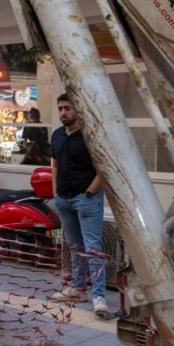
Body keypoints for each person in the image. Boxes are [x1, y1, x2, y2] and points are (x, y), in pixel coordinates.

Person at [48, 93, 109, 319]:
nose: (63, 112)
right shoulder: (57, 135)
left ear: (77, 110)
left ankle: (99, 296)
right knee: (74, 247)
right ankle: (78, 288)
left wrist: (90, 191)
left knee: (93, 248)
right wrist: (55, 192)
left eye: (67, 108)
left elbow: (104, 168)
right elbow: (55, 165)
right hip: (64, 199)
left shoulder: (90, 136)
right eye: (60, 108)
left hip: (87, 199)